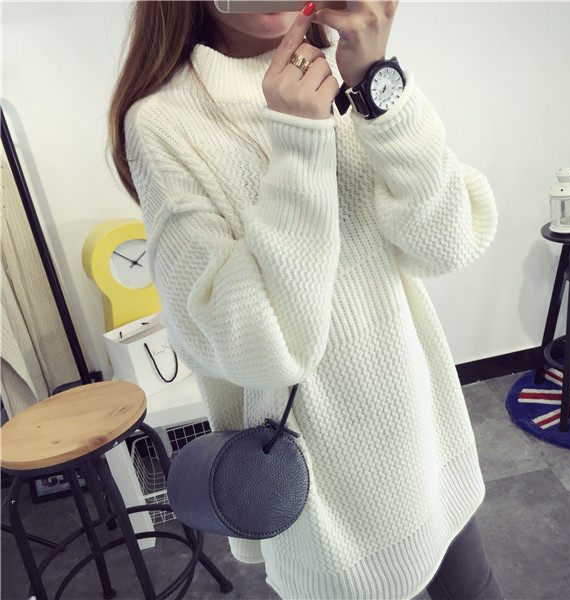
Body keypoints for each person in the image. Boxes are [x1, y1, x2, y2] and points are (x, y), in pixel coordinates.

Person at [108, 1, 505, 598]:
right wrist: (299, 145)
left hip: (424, 429)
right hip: (324, 481)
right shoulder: (164, 121)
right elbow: (251, 346)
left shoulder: (343, 67)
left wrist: (377, 84)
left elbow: (448, 243)